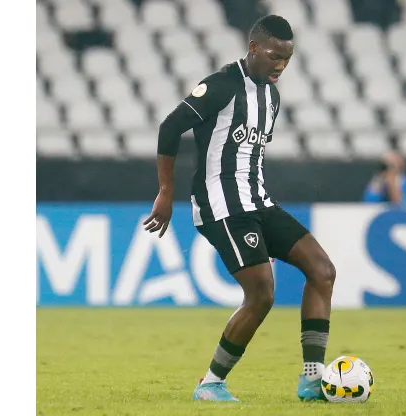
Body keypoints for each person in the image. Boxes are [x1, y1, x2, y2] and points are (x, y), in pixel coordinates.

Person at [143, 15, 336, 403]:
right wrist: (166, 191)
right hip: (221, 206)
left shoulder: (272, 97)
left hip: (258, 201)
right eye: (274, 55)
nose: (281, 65)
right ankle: (210, 383)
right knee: (262, 293)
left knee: (322, 270)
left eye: (288, 58)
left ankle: (313, 378)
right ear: (252, 48)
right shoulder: (220, 86)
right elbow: (169, 127)